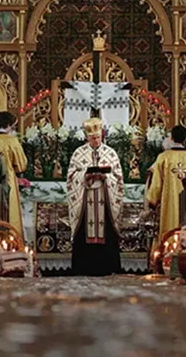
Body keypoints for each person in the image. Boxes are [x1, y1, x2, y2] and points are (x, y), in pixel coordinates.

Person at [66, 118, 124, 276]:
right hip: (85, 200)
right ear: (86, 137)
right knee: (85, 231)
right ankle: (83, 267)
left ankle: (108, 266)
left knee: (106, 231)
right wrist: (84, 177)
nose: (96, 140)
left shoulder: (110, 153)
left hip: (105, 202)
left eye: (98, 137)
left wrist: (106, 178)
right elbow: (71, 177)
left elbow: (118, 178)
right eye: (93, 138)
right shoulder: (79, 153)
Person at [145, 125, 186, 241]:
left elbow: (156, 184)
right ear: (185, 139)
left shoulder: (163, 157)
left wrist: (152, 203)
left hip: (169, 203)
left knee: (168, 233)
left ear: (171, 138)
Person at [0, 112, 28, 243]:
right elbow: (21, 165)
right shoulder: (11, 141)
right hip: (8, 181)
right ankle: (11, 243)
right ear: (9, 125)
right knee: (10, 215)